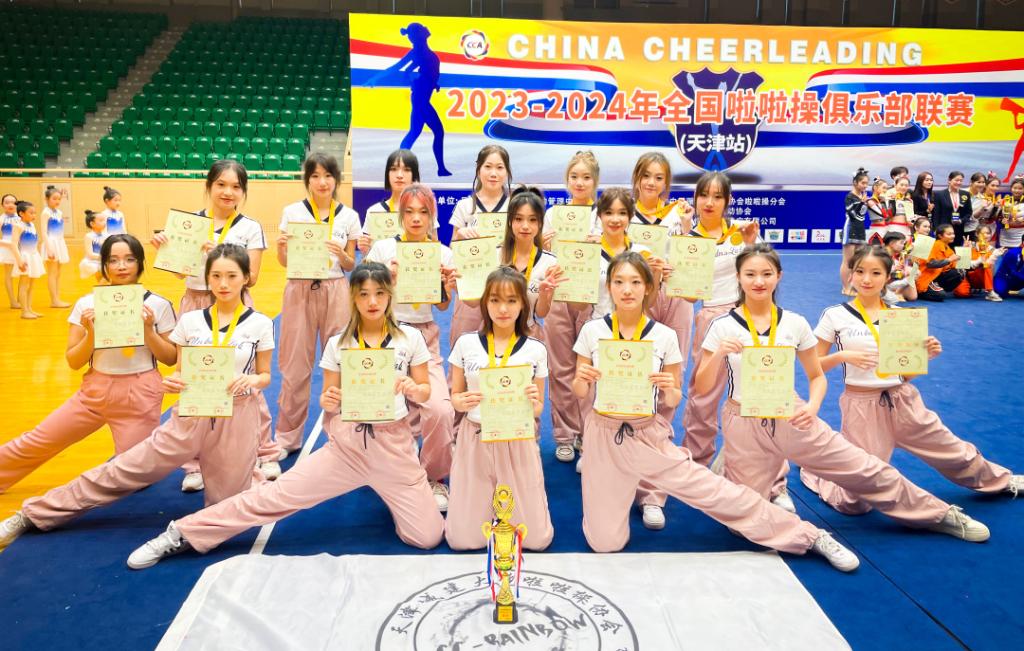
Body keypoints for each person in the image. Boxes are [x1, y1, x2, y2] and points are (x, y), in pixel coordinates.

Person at [122, 262, 445, 569]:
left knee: (426, 537)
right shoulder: (339, 343)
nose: (372, 301)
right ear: (353, 297)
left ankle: (392, 494)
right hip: (348, 447)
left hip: (394, 447)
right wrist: (331, 399)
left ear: (390, 295)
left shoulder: (410, 338)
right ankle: (183, 532)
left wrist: (412, 389)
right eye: (364, 294)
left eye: (379, 293)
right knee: (272, 497)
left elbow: (424, 391)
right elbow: (327, 399)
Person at [571, 251, 860, 571]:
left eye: (635, 282)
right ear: (609, 287)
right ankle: (626, 496)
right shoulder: (592, 331)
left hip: (648, 435)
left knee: (718, 494)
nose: (627, 290)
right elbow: (579, 392)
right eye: (619, 282)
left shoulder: (664, 335)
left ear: (648, 287)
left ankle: (809, 535)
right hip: (603, 434)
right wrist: (582, 380)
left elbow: (673, 400)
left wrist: (668, 388)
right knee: (604, 543)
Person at [693, 243, 991, 544]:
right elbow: (702, 387)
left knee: (864, 468)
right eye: (750, 274)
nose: (759, 281)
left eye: (766, 274)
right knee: (743, 520)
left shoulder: (795, 322)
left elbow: (816, 376)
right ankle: (740, 473)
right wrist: (718, 354)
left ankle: (937, 514)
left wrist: (812, 406)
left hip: (791, 413)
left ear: (778, 276)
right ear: (738, 277)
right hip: (742, 417)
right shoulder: (722, 326)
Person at [0, 244, 275, 551]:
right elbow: (181, 370)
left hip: (237, 416)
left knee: (227, 506)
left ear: (246, 278)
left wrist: (252, 380)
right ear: (207, 278)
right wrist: (174, 382)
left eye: (231, 276)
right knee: (119, 471)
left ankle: (183, 533)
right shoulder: (190, 321)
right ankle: (32, 514)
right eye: (216, 276)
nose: (223, 284)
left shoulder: (261, 323)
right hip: (191, 414)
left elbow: (265, 375)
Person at [803, 244, 1021, 514]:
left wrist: (924, 356)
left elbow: (904, 374)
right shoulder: (834, 315)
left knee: (951, 449)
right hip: (861, 405)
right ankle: (818, 472)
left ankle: (1000, 480)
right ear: (850, 274)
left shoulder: (900, 317)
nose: (866, 279)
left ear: (887, 277)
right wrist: (842, 356)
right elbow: (813, 368)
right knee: (854, 503)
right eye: (859, 271)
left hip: (903, 399)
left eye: (875, 273)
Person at [0, 234, 176, 493]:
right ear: (104, 265)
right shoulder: (87, 304)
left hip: (140, 394)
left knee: (135, 476)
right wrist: (92, 333)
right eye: (113, 260)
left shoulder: (158, 305)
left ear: (140, 263)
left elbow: (170, 358)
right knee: (37, 440)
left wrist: (148, 331)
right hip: (94, 392)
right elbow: (74, 361)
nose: (121, 266)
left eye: (129, 259)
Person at [150, 160, 281, 488]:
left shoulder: (249, 227)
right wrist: (167, 249)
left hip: (235, 306)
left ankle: (264, 451)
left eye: (236, 186)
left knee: (245, 382)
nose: (228, 192)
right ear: (209, 186)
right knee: (195, 381)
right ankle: (195, 464)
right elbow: (179, 272)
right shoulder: (190, 224)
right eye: (221, 184)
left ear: (243, 192)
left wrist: (219, 255)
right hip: (195, 302)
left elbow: (253, 276)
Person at [445, 267, 553, 551]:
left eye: (511, 300)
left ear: (523, 304)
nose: (503, 309)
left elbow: (538, 409)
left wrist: (533, 401)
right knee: (462, 540)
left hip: (517, 439)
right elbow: (455, 397)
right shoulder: (466, 343)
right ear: (485, 303)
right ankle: (483, 506)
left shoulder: (536, 349)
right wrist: (461, 402)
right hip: (476, 436)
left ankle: (507, 506)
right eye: (495, 300)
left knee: (536, 540)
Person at [366, 183, 457, 511]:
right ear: (400, 215)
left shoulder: (442, 253)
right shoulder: (382, 249)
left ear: (432, 216)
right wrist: (383, 280)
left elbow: (442, 306)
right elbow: (362, 295)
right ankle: (381, 468)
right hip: (383, 333)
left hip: (423, 337)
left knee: (440, 410)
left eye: (423, 212)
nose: (416, 218)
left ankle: (434, 476)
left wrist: (447, 287)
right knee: (379, 408)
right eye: (409, 212)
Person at [273, 153, 360, 455]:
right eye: (315, 176)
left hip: (336, 289)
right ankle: (286, 438)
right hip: (299, 289)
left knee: (341, 364)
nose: (322, 182)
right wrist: (281, 249)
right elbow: (284, 261)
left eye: (328, 176)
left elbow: (350, 265)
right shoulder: (292, 212)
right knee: (295, 367)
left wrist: (343, 253)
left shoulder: (349, 216)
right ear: (307, 180)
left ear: (337, 179)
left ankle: (341, 437)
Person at [543, 152, 600, 465]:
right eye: (574, 177)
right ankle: (565, 435)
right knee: (561, 367)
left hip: (591, 296)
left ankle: (588, 434)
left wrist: (599, 243)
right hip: (559, 294)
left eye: (586, 177)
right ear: (567, 181)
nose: (580, 183)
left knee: (588, 368)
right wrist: (543, 243)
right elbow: (541, 255)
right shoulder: (554, 214)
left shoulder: (602, 215)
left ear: (595, 181)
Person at [365, 22, 451, 177]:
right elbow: (397, 68)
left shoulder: (423, 54)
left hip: (421, 98)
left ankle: (399, 166)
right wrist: (375, 78)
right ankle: (438, 169)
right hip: (421, 100)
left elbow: (426, 75)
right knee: (435, 132)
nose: (412, 40)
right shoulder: (418, 53)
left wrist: (433, 84)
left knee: (415, 133)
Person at [448, 145, 513, 348]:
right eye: (488, 166)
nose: (494, 173)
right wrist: (461, 235)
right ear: (478, 170)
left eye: (500, 167)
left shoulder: (514, 206)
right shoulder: (465, 206)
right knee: (464, 346)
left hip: (506, 288)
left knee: (504, 348)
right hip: (471, 286)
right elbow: (452, 247)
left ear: (507, 172)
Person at [358, 149, 436, 255]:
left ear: (414, 175)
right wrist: (365, 250)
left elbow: (434, 252)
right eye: (394, 169)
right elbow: (368, 260)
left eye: (406, 170)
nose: (399, 175)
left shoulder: (425, 209)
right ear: (387, 174)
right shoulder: (374, 211)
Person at [10, 201, 45, 319]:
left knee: (32, 285)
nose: (34, 215)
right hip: (24, 257)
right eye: (31, 213)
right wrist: (19, 260)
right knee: (24, 285)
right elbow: (13, 244)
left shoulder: (32, 225)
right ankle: (24, 311)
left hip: (34, 256)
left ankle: (29, 308)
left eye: (35, 213)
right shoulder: (18, 226)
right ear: (21, 213)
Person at [915, 224, 964, 302]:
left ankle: (937, 288)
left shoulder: (948, 248)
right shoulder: (935, 245)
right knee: (941, 295)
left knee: (960, 272)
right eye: (949, 234)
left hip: (936, 277)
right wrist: (949, 260)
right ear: (940, 236)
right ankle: (921, 292)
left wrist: (965, 249)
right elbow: (930, 264)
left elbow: (958, 265)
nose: (953, 236)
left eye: (953, 233)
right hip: (926, 277)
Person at [994, 177, 1024, 297]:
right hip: (1006, 235)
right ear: (1011, 189)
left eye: (1020, 188)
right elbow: (998, 218)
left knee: (1019, 260)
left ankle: (1016, 283)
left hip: (1020, 235)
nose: (1017, 190)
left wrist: (1019, 221)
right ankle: (1005, 282)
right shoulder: (1005, 201)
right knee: (1006, 260)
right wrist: (1002, 220)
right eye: (1015, 188)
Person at [841, 169, 870, 292]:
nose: (865, 186)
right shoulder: (850, 197)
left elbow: (862, 215)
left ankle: (855, 285)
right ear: (855, 182)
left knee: (858, 261)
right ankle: (846, 287)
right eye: (863, 183)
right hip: (850, 228)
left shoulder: (862, 197)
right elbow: (852, 214)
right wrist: (862, 203)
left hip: (860, 229)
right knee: (848, 261)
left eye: (867, 183)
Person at [41, 186, 70, 308]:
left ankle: (57, 298)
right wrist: (49, 248)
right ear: (46, 199)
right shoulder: (46, 212)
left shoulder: (59, 212)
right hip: (51, 243)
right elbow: (43, 232)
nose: (57, 201)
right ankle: (54, 300)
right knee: (52, 273)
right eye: (54, 198)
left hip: (59, 243)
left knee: (58, 273)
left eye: (59, 199)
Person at [931, 171, 972, 246]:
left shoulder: (965, 194)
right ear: (949, 180)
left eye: (961, 181)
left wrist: (961, 221)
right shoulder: (939, 194)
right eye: (956, 180)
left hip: (958, 231)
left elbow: (968, 212)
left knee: (956, 251)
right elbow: (936, 214)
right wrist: (936, 229)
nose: (959, 183)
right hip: (943, 231)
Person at [881, 232, 918, 303]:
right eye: (901, 243)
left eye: (904, 244)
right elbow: (882, 278)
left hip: (886, 283)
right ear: (892, 243)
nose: (903, 246)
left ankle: (896, 293)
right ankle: (894, 293)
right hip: (879, 285)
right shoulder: (881, 256)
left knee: (912, 272)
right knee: (893, 300)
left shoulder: (891, 256)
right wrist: (906, 276)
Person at [78, 210, 107, 281]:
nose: (104, 222)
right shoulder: (89, 236)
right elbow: (90, 254)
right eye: (101, 220)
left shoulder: (106, 235)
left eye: (104, 220)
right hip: (93, 262)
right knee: (102, 279)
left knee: (104, 279)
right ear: (92, 224)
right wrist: (103, 257)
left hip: (104, 261)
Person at [0, 193, 18, 308]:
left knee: (23, 275)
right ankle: (13, 301)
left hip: (20, 248)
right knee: (9, 275)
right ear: (2, 205)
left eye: (13, 202)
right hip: (7, 249)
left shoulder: (20, 217)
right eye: (7, 202)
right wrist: (7, 244)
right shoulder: (1, 219)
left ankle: (21, 299)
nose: (10, 205)